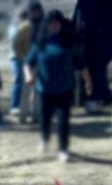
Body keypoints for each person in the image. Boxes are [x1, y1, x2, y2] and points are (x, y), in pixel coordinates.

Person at [24, 10, 92, 161]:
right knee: (45, 118)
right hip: (45, 89)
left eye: (56, 22)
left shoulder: (69, 43)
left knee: (63, 120)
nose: (53, 25)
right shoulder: (40, 43)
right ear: (46, 24)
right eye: (50, 22)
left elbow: (81, 64)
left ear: (61, 24)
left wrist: (88, 81)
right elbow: (28, 63)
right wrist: (29, 76)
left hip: (65, 88)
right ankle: (44, 139)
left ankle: (63, 149)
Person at [8, 8, 29, 115]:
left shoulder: (22, 28)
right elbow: (14, 44)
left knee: (22, 81)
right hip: (15, 57)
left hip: (21, 56)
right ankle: (14, 105)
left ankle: (20, 105)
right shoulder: (15, 28)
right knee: (18, 80)